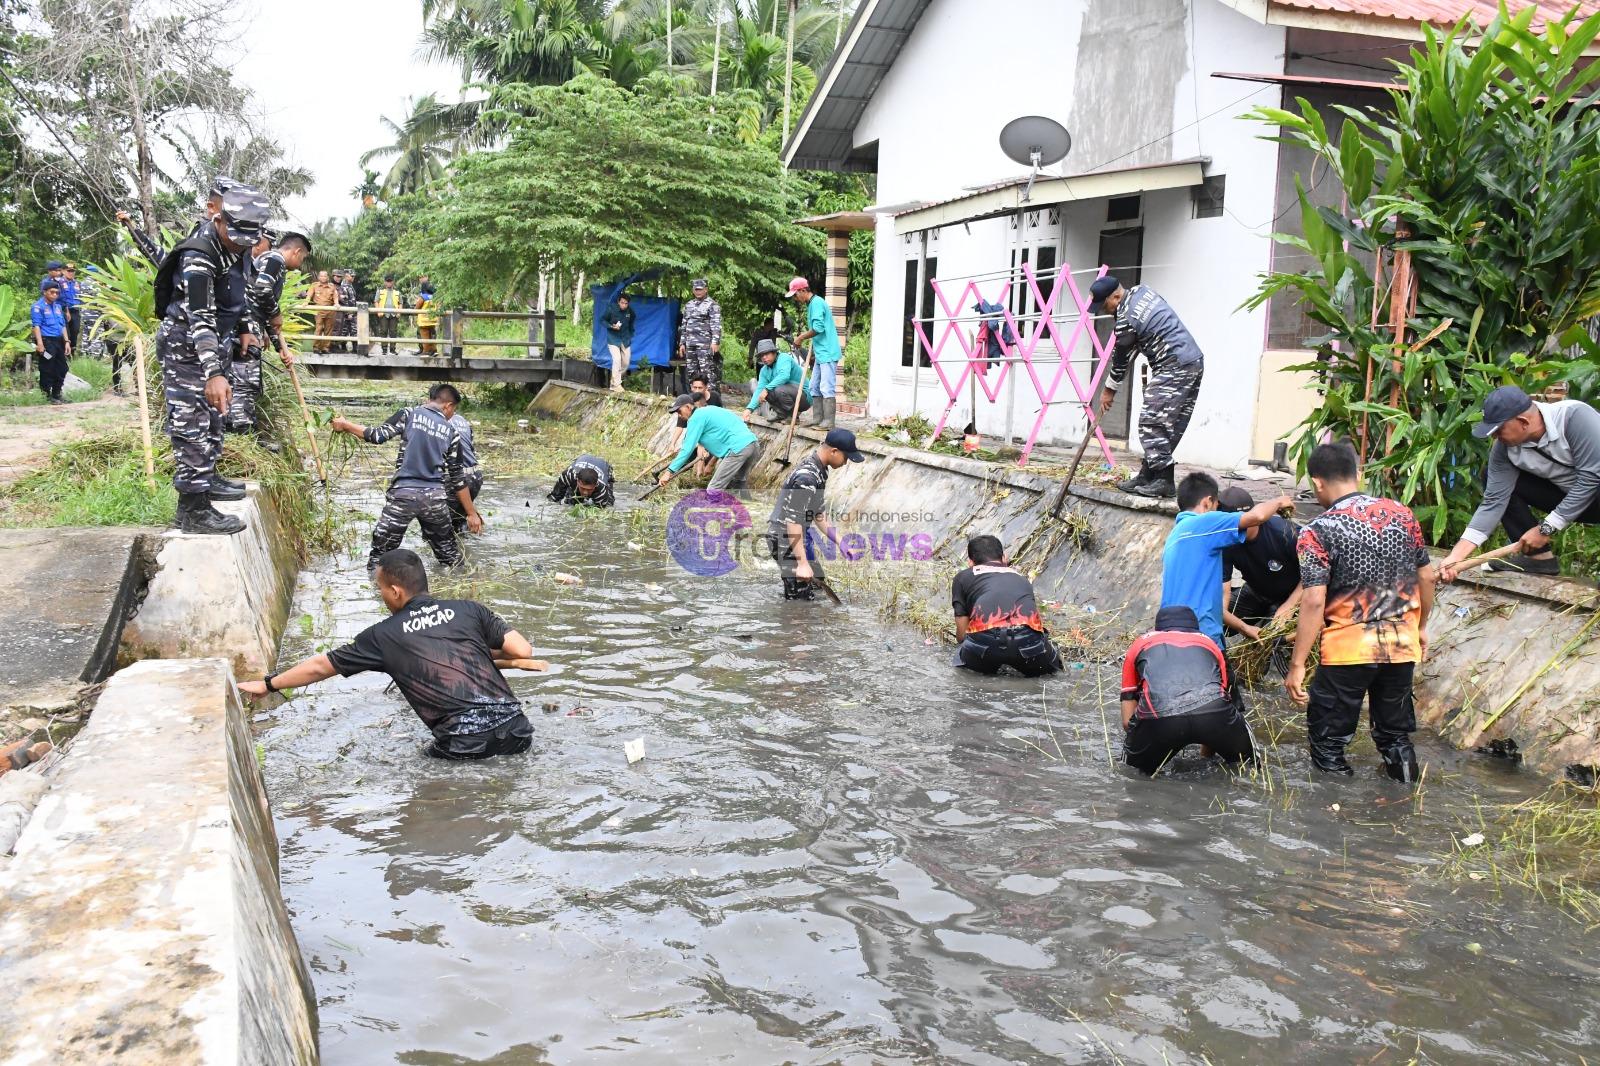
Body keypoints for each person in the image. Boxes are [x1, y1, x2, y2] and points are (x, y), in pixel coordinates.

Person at [238, 549, 544, 761]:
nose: (382, 595)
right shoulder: (469, 610)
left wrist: (268, 684)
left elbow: (320, 667)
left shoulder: (384, 637)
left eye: (380, 589)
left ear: (396, 591)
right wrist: (471, 647)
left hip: (465, 746)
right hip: (518, 732)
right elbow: (522, 651)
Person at [1287, 441, 1434, 782]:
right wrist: (1421, 626)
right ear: (1357, 474)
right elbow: (1426, 576)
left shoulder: (1317, 531)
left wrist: (1296, 665)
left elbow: (1313, 601)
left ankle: (1331, 819)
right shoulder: (1403, 515)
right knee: (1395, 737)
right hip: (1400, 647)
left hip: (1347, 651)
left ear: (1318, 483)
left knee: (1329, 742)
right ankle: (1405, 805)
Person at [152, 182, 271, 535]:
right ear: (217, 218)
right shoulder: (200, 255)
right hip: (186, 346)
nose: (241, 244)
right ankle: (192, 508)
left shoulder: (239, 244)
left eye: (249, 239)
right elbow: (199, 317)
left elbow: (241, 290)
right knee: (192, 424)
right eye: (235, 236)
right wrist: (213, 372)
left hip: (217, 341)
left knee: (216, 417)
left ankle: (209, 479)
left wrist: (247, 326)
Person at [1437, 385, 1600, 580]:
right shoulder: (1504, 450)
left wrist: (1546, 528)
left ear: (1523, 421)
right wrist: (1456, 557)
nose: (1495, 437)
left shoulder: (1574, 418)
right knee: (1491, 475)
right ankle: (1539, 560)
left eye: (1498, 430)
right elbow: (1493, 502)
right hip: (1576, 499)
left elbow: (1590, 478)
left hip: (1593, 489)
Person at [330, 383, 483, 571]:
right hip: (434, 499)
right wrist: (471, 513)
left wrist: (345, 425)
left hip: (402, 496)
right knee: (451, 556)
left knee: (380, 557)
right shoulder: (452, 432)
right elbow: (458, 478)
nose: (452, 414)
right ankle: (462, 589)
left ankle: (379, 591)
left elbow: (377, 436)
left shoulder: (409, 414)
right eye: (454, 410)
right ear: (448, 406)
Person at [1091, 276, 1206, 498]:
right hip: (1192, 360)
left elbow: (1121, 360)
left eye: (1105, 305)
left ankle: (1164, 480)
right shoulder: (1143, 292)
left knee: (1151, 422)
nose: (1105, 311)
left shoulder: (1125, 319)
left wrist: (1108, 391)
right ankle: (1149, 474)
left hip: (1175, 365)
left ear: (1116, 296)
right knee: (1168, 425)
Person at [1160, 473, 1295, 653]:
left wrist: (1246, 628)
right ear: (1208, 503)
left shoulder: (1175, 537)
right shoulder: (1207, 524)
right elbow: (1258, 516)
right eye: (1216, 508)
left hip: (1169, 632)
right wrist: (1279, 501)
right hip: (1201, 635)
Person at [1120, 605, 1255, 775]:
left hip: (1159, 718)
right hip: (1214, 715)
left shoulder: (1139, 644)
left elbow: (1127, 722)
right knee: (1248, 766)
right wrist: (1205, 760)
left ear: (1158, 628)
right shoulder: (1210, 643)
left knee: (1132, 772)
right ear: (1194, 628)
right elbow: (1221, 698)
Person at [231, 229, 311, 435]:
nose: (300, 264)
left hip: (253, 325)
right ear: (296, 251)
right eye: (303, 258)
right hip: (246, 328)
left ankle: (244, 427)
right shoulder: (275, 259)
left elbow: (264, 309)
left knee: (248, 383)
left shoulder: (269, 261)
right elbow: (262, 290)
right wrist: (276, 313)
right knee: (245, 382)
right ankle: (242, 431)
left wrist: (280, 347)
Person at [765, 429, 862, 599]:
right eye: (846, 458)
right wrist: (802, 563)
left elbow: (818, 514)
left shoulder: (820, 470)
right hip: (784, 538)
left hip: (797, 535)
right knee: (800, 602)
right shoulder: (807, 478)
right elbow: (793, 522)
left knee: (818, 583)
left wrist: (841, 543)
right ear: (834, 451)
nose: (846, 463)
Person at [951, 535, 1063, 675]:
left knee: (963, 663)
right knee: (1053, 667)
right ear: (1004, 558)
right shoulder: (1021, 579)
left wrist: (965, 645)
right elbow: (1036, 621)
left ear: (971, 562)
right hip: (1028, 643)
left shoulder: (963, 577)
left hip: (984, 644)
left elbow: (961, 633)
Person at [1216, 486, 1303, 643]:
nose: (1229, 530)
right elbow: (1223, 592)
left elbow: (1317, 574)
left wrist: (1289, 606)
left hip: (1292, 595)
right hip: (1256, 592)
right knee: (1210, 618)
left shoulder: (1285, 533)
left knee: (1273, 639)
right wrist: (1238, 624)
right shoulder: (1226, 539)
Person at [658, 392, 760, 496]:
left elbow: (687, 449)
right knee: (738, 482)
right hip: (753, 444)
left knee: (713, 489)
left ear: (688, 407)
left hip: (739, 449)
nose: (679, 415)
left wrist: (668, 472)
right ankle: (750, 509)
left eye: (679, 411)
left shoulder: (696, 418)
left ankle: (713, 512)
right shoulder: (709, 410)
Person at [787, 277, 841, 429]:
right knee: (814, 386)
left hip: (828, 352)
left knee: (826, 386)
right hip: (820, 353)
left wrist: (800, 338)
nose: (795, 299)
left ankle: (829, 421)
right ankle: (818, 418)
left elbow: (818, 329)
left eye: (796, 295)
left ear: (803, 290)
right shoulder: (811, 304)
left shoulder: (817, 303)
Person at [445, 392, 484, 534]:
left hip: (456, 480)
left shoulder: (437, 421)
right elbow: (470, 448)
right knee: (459, 526)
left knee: (437, 531)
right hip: (475, 477)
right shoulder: (462, 420)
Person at [745, 338, 810, 422]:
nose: (764, 358)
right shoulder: (764, 370)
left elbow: (784, 376)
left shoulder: (784, 358)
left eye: (766, 354)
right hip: (787, 395)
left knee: (777, 389)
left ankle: (790, 416)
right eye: (762, 355)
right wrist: (749, 409)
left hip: (804, 397)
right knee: (765, 392)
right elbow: (759, 390)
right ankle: (782, 414)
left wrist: (766, 389)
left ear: (774, 352)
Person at [678, 278, 722, 394]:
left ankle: (711, 400)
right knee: (692, 374)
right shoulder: (689, 305)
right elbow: (684, 325)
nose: (698, 291)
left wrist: (715, 342)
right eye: (696, 289)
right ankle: (695, 399)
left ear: (706, 290)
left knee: (707, 373)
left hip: (705, 345)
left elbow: (716, 325)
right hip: (690, 345)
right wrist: (682, 343)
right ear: (693, 290)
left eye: (700, 289)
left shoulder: (712, 305)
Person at [30, 280, 70, 404]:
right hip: (46, 342)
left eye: (57, 293)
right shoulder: (38, 307)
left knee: (62, 367)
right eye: (52, 292)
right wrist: (40, 344)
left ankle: (57, 393)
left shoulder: (58, 306)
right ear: (45, 292)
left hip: (59, 342)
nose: (55, 295)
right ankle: (46, 395)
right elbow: (36, 326)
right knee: (47, 367)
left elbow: (62, 325)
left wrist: (67, 341)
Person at [548, 454, 616, 508]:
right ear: (577, 481)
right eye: (583, 488)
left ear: (595, 485)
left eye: (589, 489)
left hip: (604, 467)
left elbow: (600, 512)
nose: (585, 492)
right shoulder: (568, 475)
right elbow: (554, 497)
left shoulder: (601, 490)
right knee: (570, 503)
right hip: (583, 459)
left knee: (608, 505)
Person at [602, 292, 635, 392]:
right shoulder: (611, 308)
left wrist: (630, 334)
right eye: (622, 303)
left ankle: (613, 382)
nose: (624, 305)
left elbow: (631, 323)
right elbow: (603, 320)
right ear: (618, 301)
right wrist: (612, 326)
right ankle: (616, 384)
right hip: (613, 339)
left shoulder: (630, 312)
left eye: (626, 303)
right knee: (617, 359)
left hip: (625, 339)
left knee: (625, 362)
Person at [372, 274, 405, 355]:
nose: (389, 283)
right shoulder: (380, 291)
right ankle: (384, 349)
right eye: (387, 281)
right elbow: (376, 301)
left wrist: (399, 312)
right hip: (383, 314)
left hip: (394, 314)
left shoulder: (397, 292)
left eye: (390, 281)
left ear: (393, 282)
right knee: (383, 331)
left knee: (393, 332)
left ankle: (393, 349)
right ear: (385, 282)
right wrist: (378, 311)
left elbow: (400, 303)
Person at [309, 271, 339, 353]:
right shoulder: (314, 286)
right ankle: (316, 347)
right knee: (318, 328)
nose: (323, 278)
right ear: (318, 277)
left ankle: (325, 348)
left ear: (328, 278)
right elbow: (309, 295)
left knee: (328, 329)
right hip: (318, 311)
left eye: (325, 276)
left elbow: (335, 297)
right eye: (321, 276)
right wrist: (305, 302)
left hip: (330, 311)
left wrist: (336, 303)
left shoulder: (332, 286)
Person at [58, 263, 81, 351]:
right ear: (63, 271)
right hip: (64, 310)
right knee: (66, 332)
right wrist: (65, 309)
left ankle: (72, 351)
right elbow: (60, 298)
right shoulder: (59, 282)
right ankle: (65, 352)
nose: (71, 273)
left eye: (73, 271)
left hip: (75, 310)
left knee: (75, 331)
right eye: (69, 271)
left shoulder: (77, 283)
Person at [335, 270, 358, 352]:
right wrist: (348, 313)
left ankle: (355, 348)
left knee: (353, 330)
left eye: (354, 276)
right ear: (347, 276)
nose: (353, 278)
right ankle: (343, 347)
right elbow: (344, 301)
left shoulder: (350, 285)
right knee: (344, 330)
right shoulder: (344, 286)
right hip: (347, 313)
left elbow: (352, 300)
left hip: (352, 312)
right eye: (352, 276)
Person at [416, 281, 438, 356]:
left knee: (425, 336)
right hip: (432, 320)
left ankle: (426, 351)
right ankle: (434, 350)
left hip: (424, 321)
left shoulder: (423, 297)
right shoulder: (435, 297)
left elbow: (417, 308)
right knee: (432, 336)